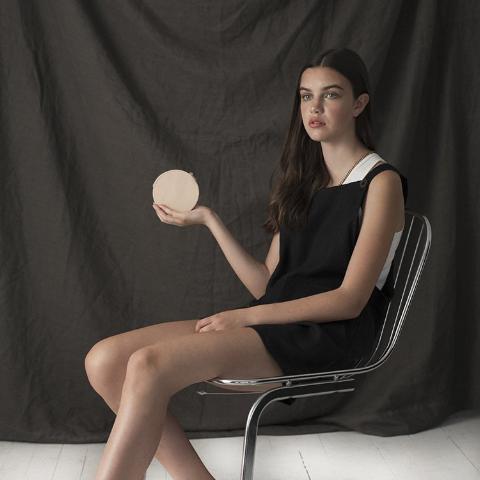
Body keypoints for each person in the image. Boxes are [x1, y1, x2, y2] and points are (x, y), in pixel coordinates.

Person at [85, 47, 408, 480]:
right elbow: (267, 283)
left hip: (330, 333)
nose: (314, 108)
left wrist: (244, 318)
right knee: (105, 360)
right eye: (305, 95)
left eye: (330, 95)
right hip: (275, 321)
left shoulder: (380, 182)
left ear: (358, 104)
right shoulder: (306, 183)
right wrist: (209, 221)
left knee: (147, 365)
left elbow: (350, 301)